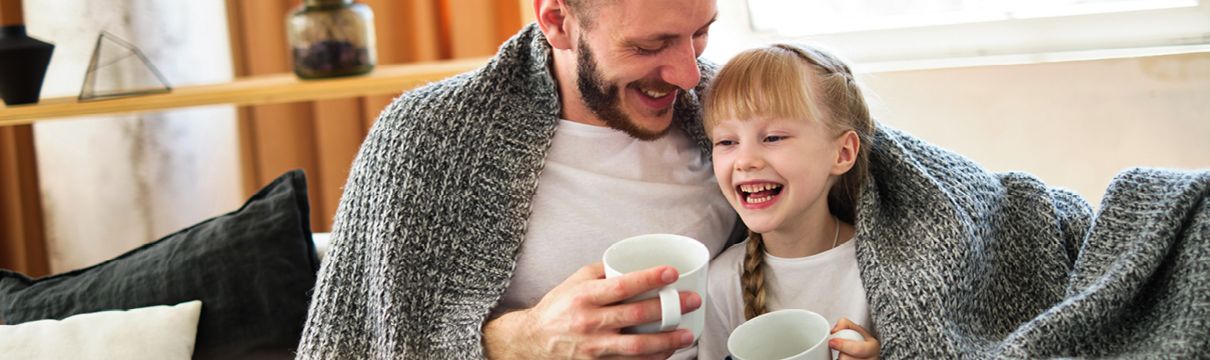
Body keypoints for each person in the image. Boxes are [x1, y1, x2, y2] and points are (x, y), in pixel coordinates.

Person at [296, 0, 742, 358]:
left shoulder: (735, 113)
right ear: (557, 22)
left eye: (700, 32)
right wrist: (518, 342)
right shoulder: (428, 139)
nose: (688, 75)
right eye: (649, 46)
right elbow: (350, 347)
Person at [696, 43, 881, 360]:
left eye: (772, 138)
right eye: (727, 141)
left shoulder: (883, 269)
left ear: (842, 153)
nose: (745, 161)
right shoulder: (721, 281)